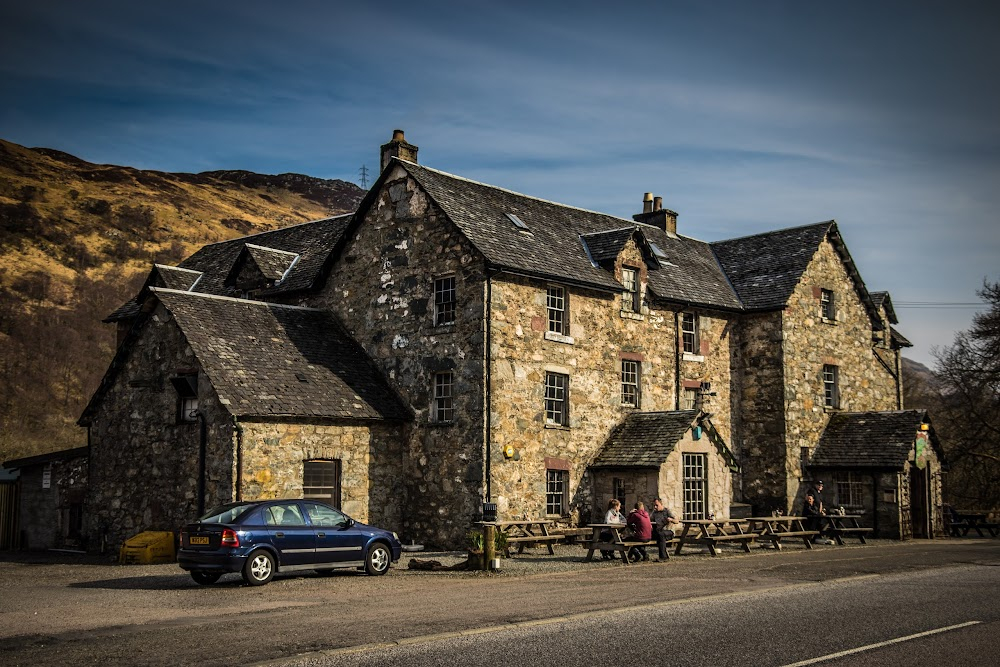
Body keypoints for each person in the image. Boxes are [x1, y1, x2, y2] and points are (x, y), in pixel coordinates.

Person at [650, 497, 678, 562]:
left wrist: (671, 520)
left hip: (669, 532)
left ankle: (663, 557)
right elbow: (649, 519)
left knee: (661, 535)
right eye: (654, 505)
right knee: (647, 535)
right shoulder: (654, 513)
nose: (655, 507)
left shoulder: (667, 511)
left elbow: (677, 521)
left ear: (661, 504)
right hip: (659, 531)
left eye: (657, 505)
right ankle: (642, 555)